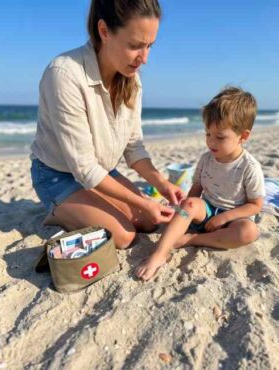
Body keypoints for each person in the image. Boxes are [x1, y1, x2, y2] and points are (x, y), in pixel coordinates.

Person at [29, 0, 184, 249]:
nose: (144, 58)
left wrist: (162, 184)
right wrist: (144, 201)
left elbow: (134, 148)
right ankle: (58, 210)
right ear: (104, 31)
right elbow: (85, 168)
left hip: (102, 172)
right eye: (135, 46)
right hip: (57, 176)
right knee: (123, 236)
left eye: (149, 46)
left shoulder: (132, 80)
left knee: (148, 221)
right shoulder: (64, 74)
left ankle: (88, 204)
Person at [135, 86, 265, 280]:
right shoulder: (206, 159)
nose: (211, 142)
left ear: (243, 137)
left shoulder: (249, 167)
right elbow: (196, 190)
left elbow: (256, 205)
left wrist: (224, 218)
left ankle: (193, 239)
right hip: (208, 210)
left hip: (234, 218)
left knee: (249, 232)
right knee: (188, 204)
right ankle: (159, 254)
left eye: (220, 137)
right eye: (207, 134)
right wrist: (183, 214)